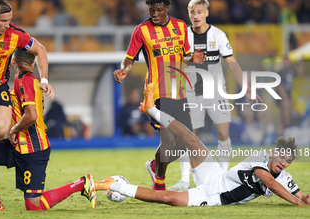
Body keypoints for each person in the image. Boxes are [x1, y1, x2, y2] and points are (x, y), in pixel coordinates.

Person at [94, 83, 310, 207]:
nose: (285, 163)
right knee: (191, 138)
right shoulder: (259, 157)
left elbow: (301, 195)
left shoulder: (285, 178)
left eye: (289, 161)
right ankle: (151, 109)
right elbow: (271, 185)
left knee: (167, 198)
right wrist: (299, 204)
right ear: (273, 153)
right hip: (216, 176)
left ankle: (109, 185)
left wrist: (305, 199)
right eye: (282, 157)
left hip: (214, 195)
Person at [0, 49, 96, 211]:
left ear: (13, 62)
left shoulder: (24, 81)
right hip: (15, 145)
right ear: (33, 63)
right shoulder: (31, 80)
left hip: (33, 148)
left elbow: (31, 115)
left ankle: (82, 183)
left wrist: (14, 129)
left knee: (34, 205)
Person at [113, 0, 206, 190]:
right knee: (168, 140)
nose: (154, 14)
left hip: (178, 91)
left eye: (159, 10)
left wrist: (194, 59)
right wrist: (124, 70)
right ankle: (159, 184)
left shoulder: (181, 27)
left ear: (167, 8)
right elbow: (129, 58)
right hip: (156, 93)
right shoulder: (141, 31)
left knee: (183, 144)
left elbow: (185, 55)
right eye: (151, 10)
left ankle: (155, 166)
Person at [169, 0, 263, 191]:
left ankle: (222, 178)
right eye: (192, 13)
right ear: (189, 14)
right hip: (191, 92)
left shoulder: (218, 35)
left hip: (216, 93)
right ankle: (185, 179)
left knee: (223, 134)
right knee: (188, 135)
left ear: (207, 13)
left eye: (199, 12)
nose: (196, 16)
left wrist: (245, 87)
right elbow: (176, 62)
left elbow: (231, 62)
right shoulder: (183, 36)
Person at [0, 0, 54, 152]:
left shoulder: (15, 34)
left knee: (2, 129)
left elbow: (40, 50)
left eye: (9, 20)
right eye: (3, 21)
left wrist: (44, 80)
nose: (7, 25)